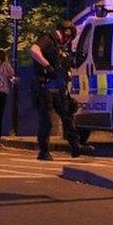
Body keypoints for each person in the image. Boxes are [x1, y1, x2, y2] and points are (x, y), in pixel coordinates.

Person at [30, 20, 80, 161]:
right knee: (46, 119)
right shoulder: (48, 39)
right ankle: (44, 151)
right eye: (68, 38)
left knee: (67, 115)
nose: (67, 41)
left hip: (58, 86)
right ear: (66, 33)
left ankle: (76, 146)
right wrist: (46, 66)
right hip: (44, 85)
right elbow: (34, 50)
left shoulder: (60, 47)